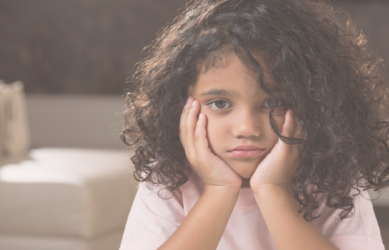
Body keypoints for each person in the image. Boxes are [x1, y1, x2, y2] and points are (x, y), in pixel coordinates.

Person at [119, 0, 389, 249]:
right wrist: (219, 190)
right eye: (221, 103)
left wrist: (272, 190)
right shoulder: (167, 175)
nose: (246, 128)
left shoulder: (335, 173)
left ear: (315, 102)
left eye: (272, 103)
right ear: (181, 106)